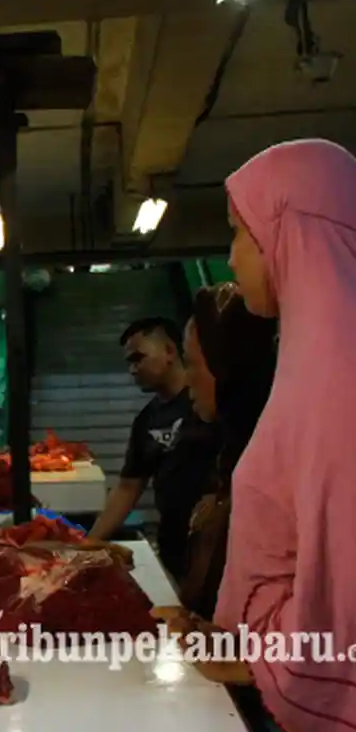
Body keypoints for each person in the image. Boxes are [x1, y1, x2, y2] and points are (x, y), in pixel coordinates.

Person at [178, 139, 356, 729]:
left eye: (239, 232)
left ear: (290, 234)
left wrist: (258, 660)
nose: (230, 259)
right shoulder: (311, 360)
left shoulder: (338, 373)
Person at [87, 317, 219, 581]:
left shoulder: (213, 404)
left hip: (218, 546)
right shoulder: (146, 420)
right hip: (175, 548)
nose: (133, 369)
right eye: (129, 362)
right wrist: (88, 544)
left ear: (170, 351)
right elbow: (128, 487)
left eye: (139, 358)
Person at [179, 283, 277, 619]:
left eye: (191, 364)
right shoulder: (232, 456)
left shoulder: (272, 474)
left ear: (228, 368)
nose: (186, 379)